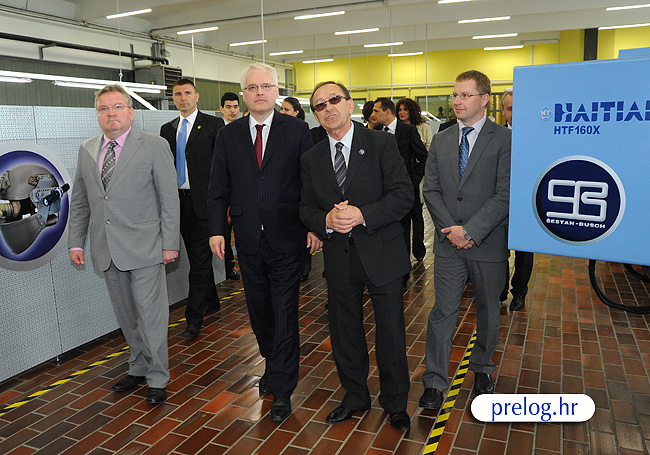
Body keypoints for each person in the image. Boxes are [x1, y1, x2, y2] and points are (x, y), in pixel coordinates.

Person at [206, 63, 321, 422]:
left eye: (266, 86)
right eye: (252, 87)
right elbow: (217, 187)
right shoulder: (228, 135)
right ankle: (273, 364)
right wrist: (216, 230)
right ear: (243, 94)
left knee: (284, 312)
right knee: (259, 312)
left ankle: (283, 388)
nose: (259, 92)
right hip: (247, 239)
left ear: (276, 91)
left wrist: (314, 225)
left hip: (287, 234)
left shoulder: (297, 130)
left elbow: (311, 182)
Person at [300, 81, 413, 432]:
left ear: (350, 105)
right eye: (320, 105)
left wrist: (362, 214)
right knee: (345, 333)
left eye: (334, 99)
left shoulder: (381, 144)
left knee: (390, 333)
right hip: (339, 257)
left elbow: (403, 195)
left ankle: (395, 402)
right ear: (316, 115)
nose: (328, 107)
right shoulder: (311, 158)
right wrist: (325, 220)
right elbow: (304, 207)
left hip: (383, 253)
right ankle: (355, 397)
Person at [69, 84, 180, 405]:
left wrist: (170, 243)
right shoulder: (87, 149)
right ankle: (138, 366)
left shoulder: (154, 145)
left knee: (150, 316)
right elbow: (81, 201)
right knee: (126, 315)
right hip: (107, 250)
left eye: (117, 107)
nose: (111, 114)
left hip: (146, 247)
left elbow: (169, 199)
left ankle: (157, 377)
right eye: (104, 109)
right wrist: (76, 243)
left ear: (131, 112)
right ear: (97, 115)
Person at [419, 70, 511, 410]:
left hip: (487, 243)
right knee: (442, 312)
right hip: (448, 244)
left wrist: (470, 231)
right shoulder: (442, 139)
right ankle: (434, 382)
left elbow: (505, 194)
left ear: (484, 99)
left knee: (488, 310)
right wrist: (451, 229)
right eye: (454, 95)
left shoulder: (504, 140)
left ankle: (483, 368)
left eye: (465, 95)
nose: (456, 101)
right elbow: (431, 190)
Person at [160, 79, 224, 338]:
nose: (183, 98)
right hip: (177, 204)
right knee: (198, 257)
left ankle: (193, 318)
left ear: (197, 97)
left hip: (205, 204)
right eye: (178, 94)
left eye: (187, 93)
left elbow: (222, 166)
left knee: (198, 262)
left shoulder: (213, 125)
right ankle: (212, 301)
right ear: (173, 98)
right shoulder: (167, 129)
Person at [373, 97, 428, 267]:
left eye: (376, 111)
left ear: (387, 112)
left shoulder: (408, 130)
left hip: (406, 188)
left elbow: (423, 156)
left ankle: (409, 260)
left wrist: (413, 179)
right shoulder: (377, 130)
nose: (373, 114)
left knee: (409, 222)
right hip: (384, 190)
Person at [499, 91, 532, 312]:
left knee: (524, 252)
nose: (514, 113)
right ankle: (499, 291)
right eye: (510, 108)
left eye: (518, 108)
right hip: (500, 203)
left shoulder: (536, 137)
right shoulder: (496, 137)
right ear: (503, 111)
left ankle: (519, 292)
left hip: (526, 204)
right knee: (498, 251)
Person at [280, 96, 312, 282]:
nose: (283, 112)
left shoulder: (301, 130)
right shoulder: (277, 131)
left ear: (296, 112)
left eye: (287, 109)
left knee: (302, 231)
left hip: (299, 191)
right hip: (283, 193)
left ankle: (304, 267)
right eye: (282, 109)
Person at [219, 91, 242, 281]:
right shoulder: (217, 132)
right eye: (228, 107)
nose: (232, 111)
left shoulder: (246, 130)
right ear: (221, 109)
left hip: (243, 192)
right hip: (226, 192)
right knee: (225, 232)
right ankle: (228, 267)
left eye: (235, 107)